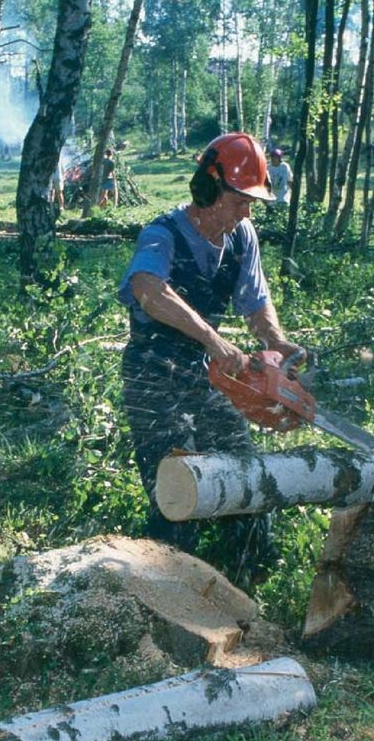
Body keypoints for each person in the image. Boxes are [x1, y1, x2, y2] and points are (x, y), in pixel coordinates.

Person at [118, 132, 304, 585]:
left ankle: (248, 585)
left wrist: (276, 343)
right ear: (208, 188)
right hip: (153, 376)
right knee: (178, 486)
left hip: (207, 378)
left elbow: (256, 302)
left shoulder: (242, 237)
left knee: (244, 475)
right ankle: (162, 589)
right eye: (240, 201)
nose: (246, 211)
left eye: (250, 203)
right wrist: (211, 339)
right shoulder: (163, 235)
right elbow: (147, 290)